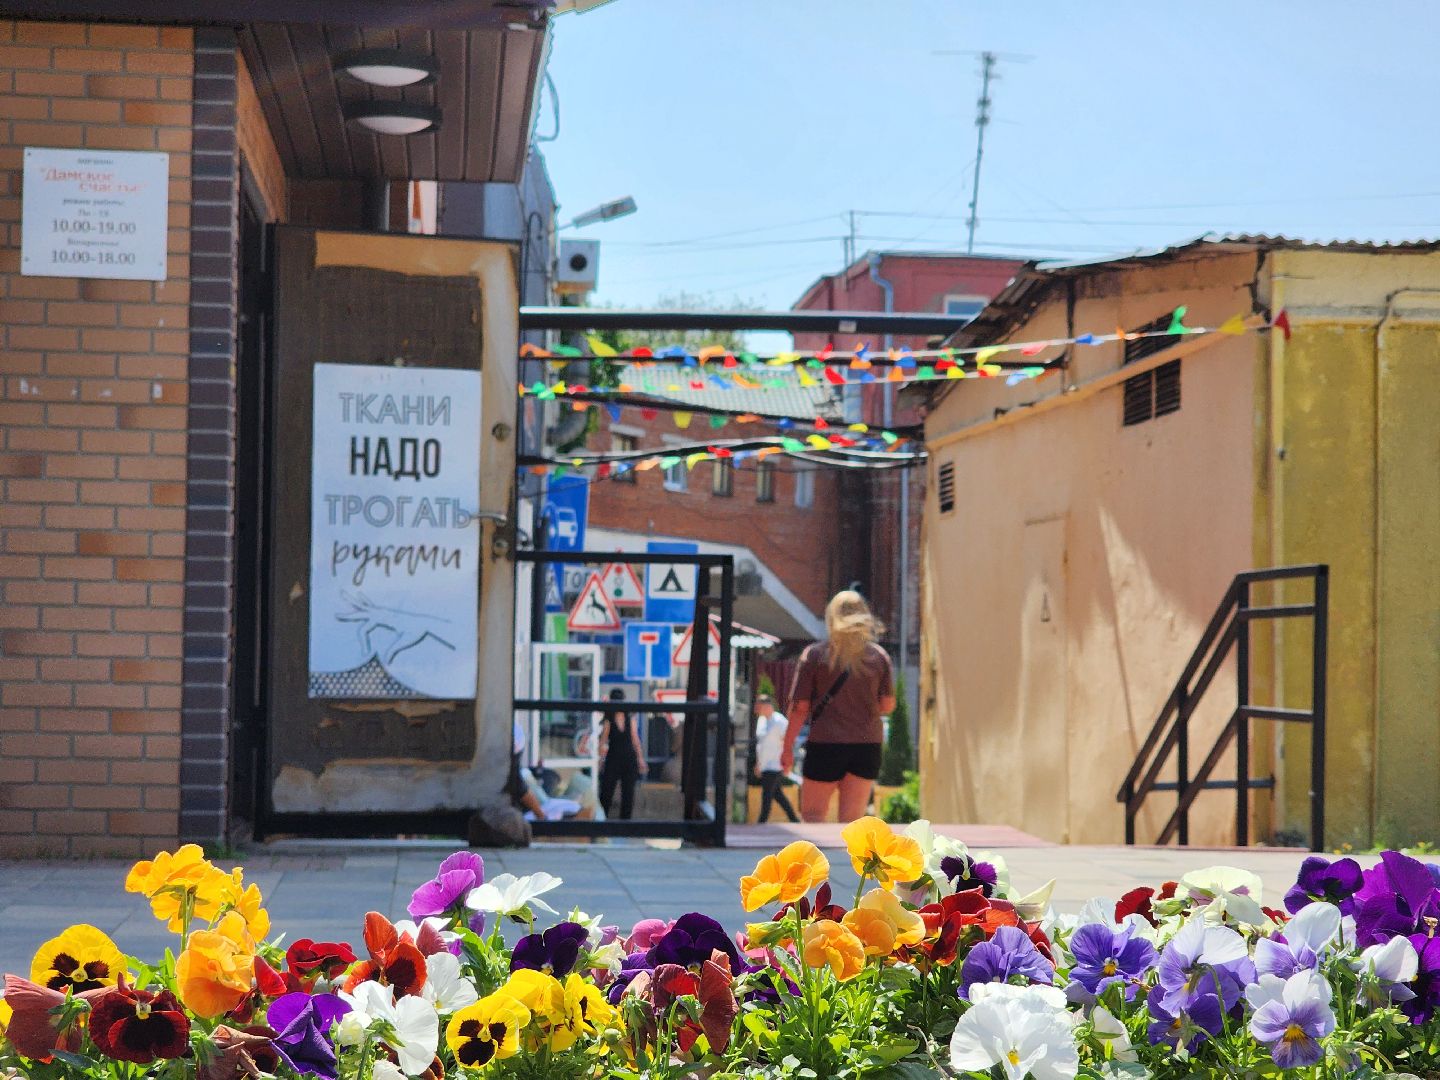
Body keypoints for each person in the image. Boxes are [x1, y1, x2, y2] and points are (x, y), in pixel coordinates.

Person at [782, 590, 895, 823]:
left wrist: (786, 748)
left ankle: (817, 861)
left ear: (831, 617)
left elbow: (800, 708)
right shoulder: (878, 656)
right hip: (866, 745)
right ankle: (848, 861)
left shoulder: (815, 655)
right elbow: (887, 705)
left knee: (813, 818)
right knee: (853, 822)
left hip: (825, 744)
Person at [598, 689, 646, 819]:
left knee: (628, 792)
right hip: (613, 758)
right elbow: (602, 742)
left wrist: (640, 759)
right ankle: (602, 820)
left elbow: (635, 740)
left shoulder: (630, 719)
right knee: (607, 791)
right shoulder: (609, 720)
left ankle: (625, 824)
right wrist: (600, 760)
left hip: (628, 758)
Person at [753, 694, 799, 823]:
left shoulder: (780, 721)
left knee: (766, 795)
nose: (756, 708)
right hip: (764, 765)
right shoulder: (761, 721)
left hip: (775, 765)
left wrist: (787, 762)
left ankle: (761, 822)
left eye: (759, 705)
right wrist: (758, 764)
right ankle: (794, 820)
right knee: (778, 795)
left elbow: (788, 741)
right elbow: (760, 745)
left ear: (767, 706)